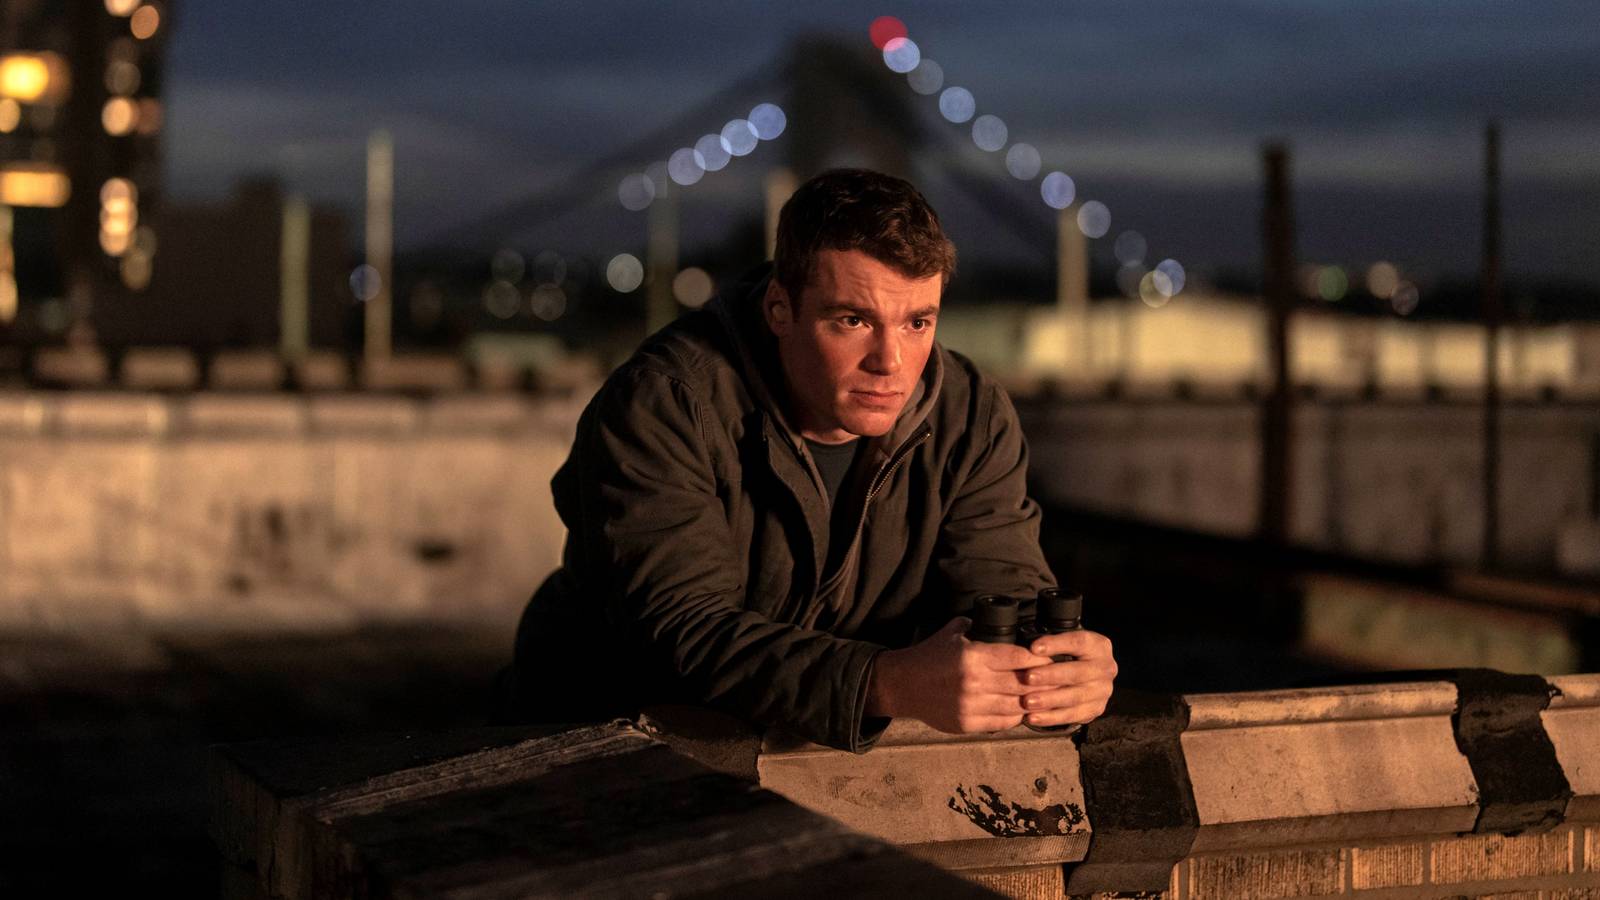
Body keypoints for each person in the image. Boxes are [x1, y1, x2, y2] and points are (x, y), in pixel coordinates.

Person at [503, 168, 1116, 752]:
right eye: (853, 320)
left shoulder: (970, 412)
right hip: (597, 742)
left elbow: (1002, 593)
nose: (891, 362)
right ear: (780, 309)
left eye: (917, 322)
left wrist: (1055, 671)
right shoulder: (664, 403)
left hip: (820, 755)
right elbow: (684, 633)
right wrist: (886, 682)